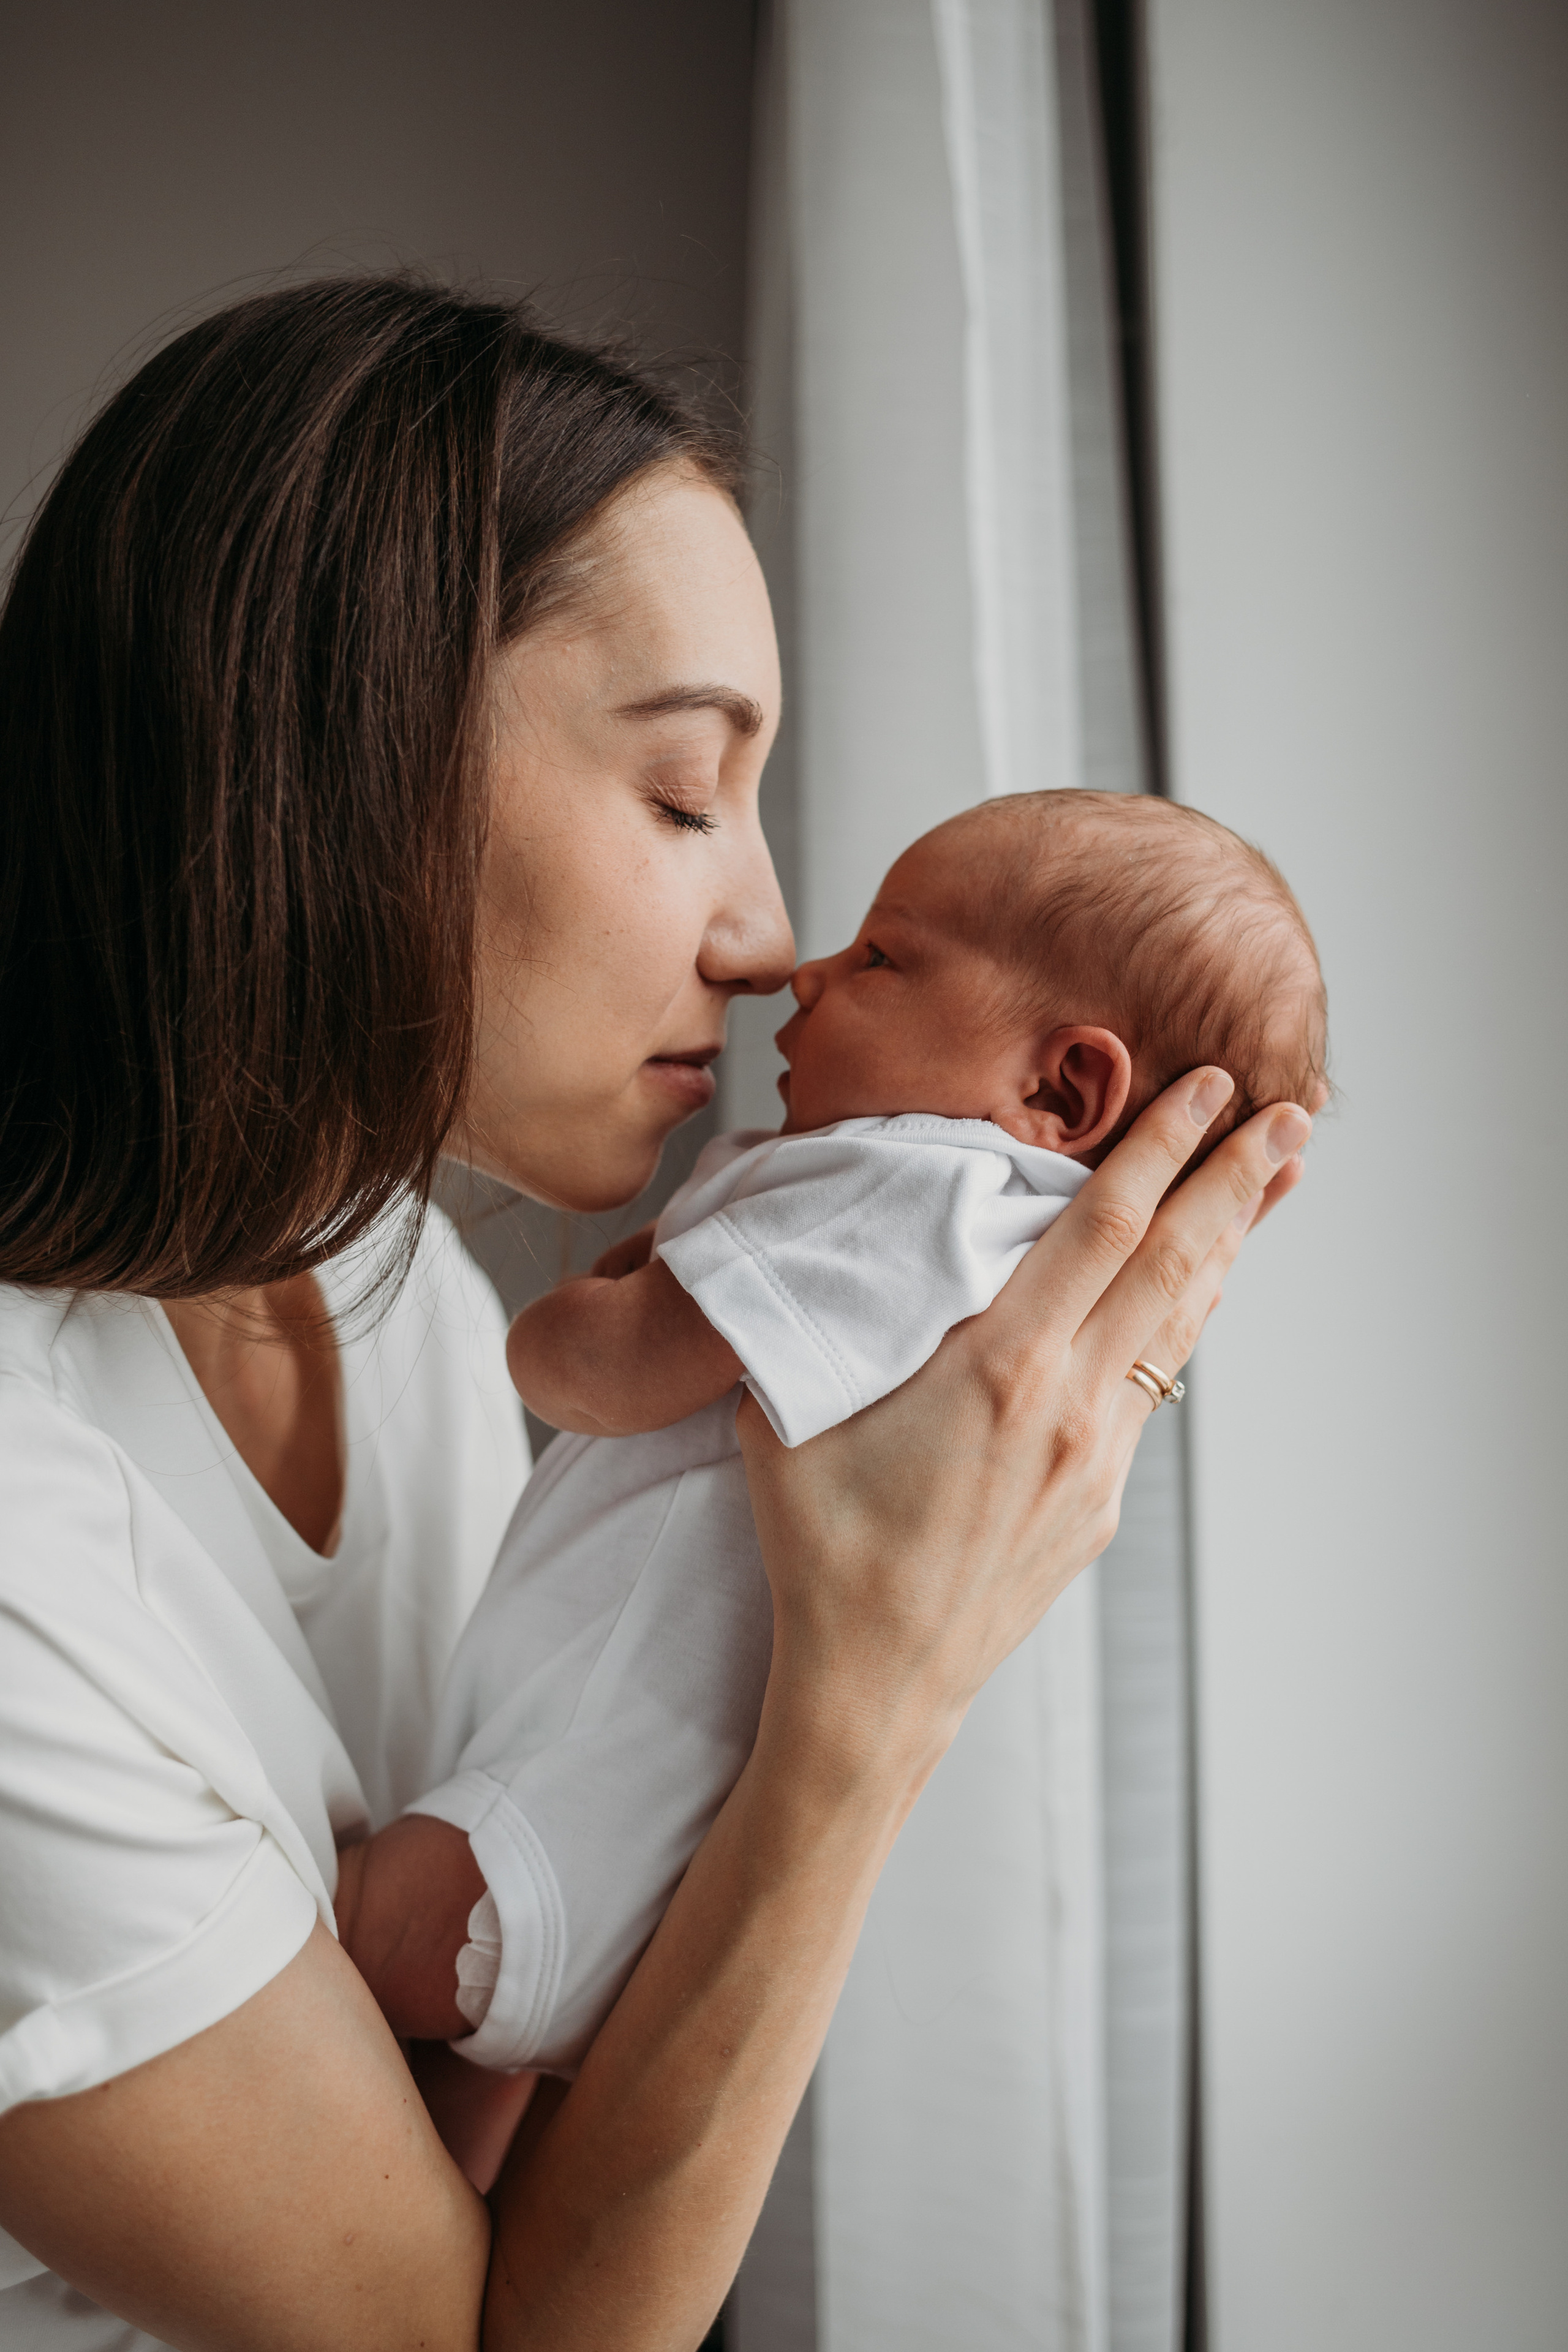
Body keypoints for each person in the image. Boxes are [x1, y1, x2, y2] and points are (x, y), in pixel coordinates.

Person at [0, 277, 1314, 2352]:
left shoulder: (405, 1298)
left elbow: (514, 2152)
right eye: (691, 794)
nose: (773, 937)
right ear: (343, 754)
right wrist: (869, 1705)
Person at [337, 790, 1327, 2077]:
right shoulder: (1002, 1263)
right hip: (616, 1880)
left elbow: (592, 1373)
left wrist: (562, 1318)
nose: (802, 972)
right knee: (454, 2187)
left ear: (1061, 1085)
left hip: (542, 1832)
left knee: (327, 1944)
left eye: (881, 958)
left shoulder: (914, 1196)